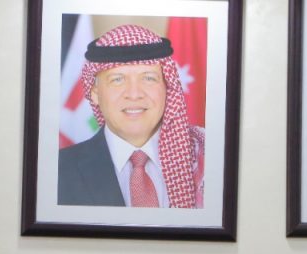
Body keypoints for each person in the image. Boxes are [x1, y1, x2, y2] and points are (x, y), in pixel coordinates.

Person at [57, 24, 205, 209]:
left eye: (149, 78)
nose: (134, 94)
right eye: (117, 79)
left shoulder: (206, 159)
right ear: (95, 93)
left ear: (167, 87)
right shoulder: (57, 170)